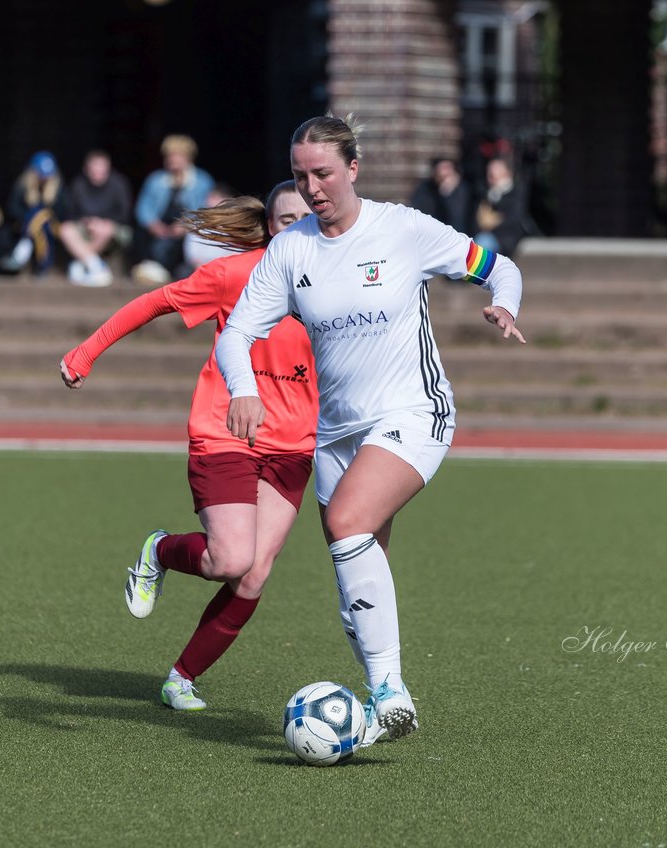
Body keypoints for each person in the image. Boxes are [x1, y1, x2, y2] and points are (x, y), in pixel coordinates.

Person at [215, 115, 526, 741]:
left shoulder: (403, 229)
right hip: (337, 435)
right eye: (302, 177)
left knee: (346, 522)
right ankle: (380, 699)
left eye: (324, 173)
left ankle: (390, 690)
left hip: (414, 412)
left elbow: (500, 267)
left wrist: (504, 304)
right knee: (357, 576)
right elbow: (237, 334)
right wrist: (244, 389)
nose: (313, 188)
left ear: (353, 168)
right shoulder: (292, 248)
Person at [59, 182, 317, 713]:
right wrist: (86, 353)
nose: (297, 226)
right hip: (228, 432)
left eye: (306, 216)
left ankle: (181, 677)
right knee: (229, 559)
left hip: (295, 443)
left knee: (256, 572)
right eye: (285, 219)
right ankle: (159, 549)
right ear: (271, 227)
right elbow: (154, 301)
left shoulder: (339, 284)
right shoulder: (236, 273)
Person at [132, 134, 215, 284]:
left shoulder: (202, 181)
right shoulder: (155, 180)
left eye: (177, 156)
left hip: (187, 232)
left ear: (188, 157)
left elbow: (206, 210)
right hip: (159, 232)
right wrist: (153, 224)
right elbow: (143, 209)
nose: (172, 160)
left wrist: (185, 225)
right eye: (169, 156)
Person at [57, 149, 133, 287]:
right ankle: (97, 266)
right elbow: (70, 213)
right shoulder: (78, 185)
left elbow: (124, 213)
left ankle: (80, 264)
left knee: (105, 229)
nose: (98, 170)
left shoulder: (119, 184)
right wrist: (87, 221)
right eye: (94, 167)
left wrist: (102, 222)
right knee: (65, 229)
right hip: (84, 226)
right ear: (86, 168)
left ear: (108, 167)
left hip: (112, 228)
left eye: (101, 166)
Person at [3, 151, 63, 275]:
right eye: (41, 174)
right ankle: (41, 265)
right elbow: (12, 209)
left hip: (50, 227)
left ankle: (21, 255)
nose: (44, 178)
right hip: (25, 226)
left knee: (42, 220)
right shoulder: (22, 185)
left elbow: (62, 213)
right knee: (35, 216)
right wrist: (30, 220)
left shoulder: (58, 188)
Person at [474, 156, 531, 256]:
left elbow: (514, 218)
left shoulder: (515, 191)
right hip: (485, 236)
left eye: (496, 170)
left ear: (507, 173)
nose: (491, 173)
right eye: (489, 170)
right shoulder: (484, 192)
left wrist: (491, 223)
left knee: (482, 245)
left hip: (505, 238)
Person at [409, 157, 474, 234]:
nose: (443, 175)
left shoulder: (466, 190)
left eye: (447, 174)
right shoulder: (426, 190)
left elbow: (458, 220)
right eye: (440, 175)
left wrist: (449, 195)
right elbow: (421, 214)